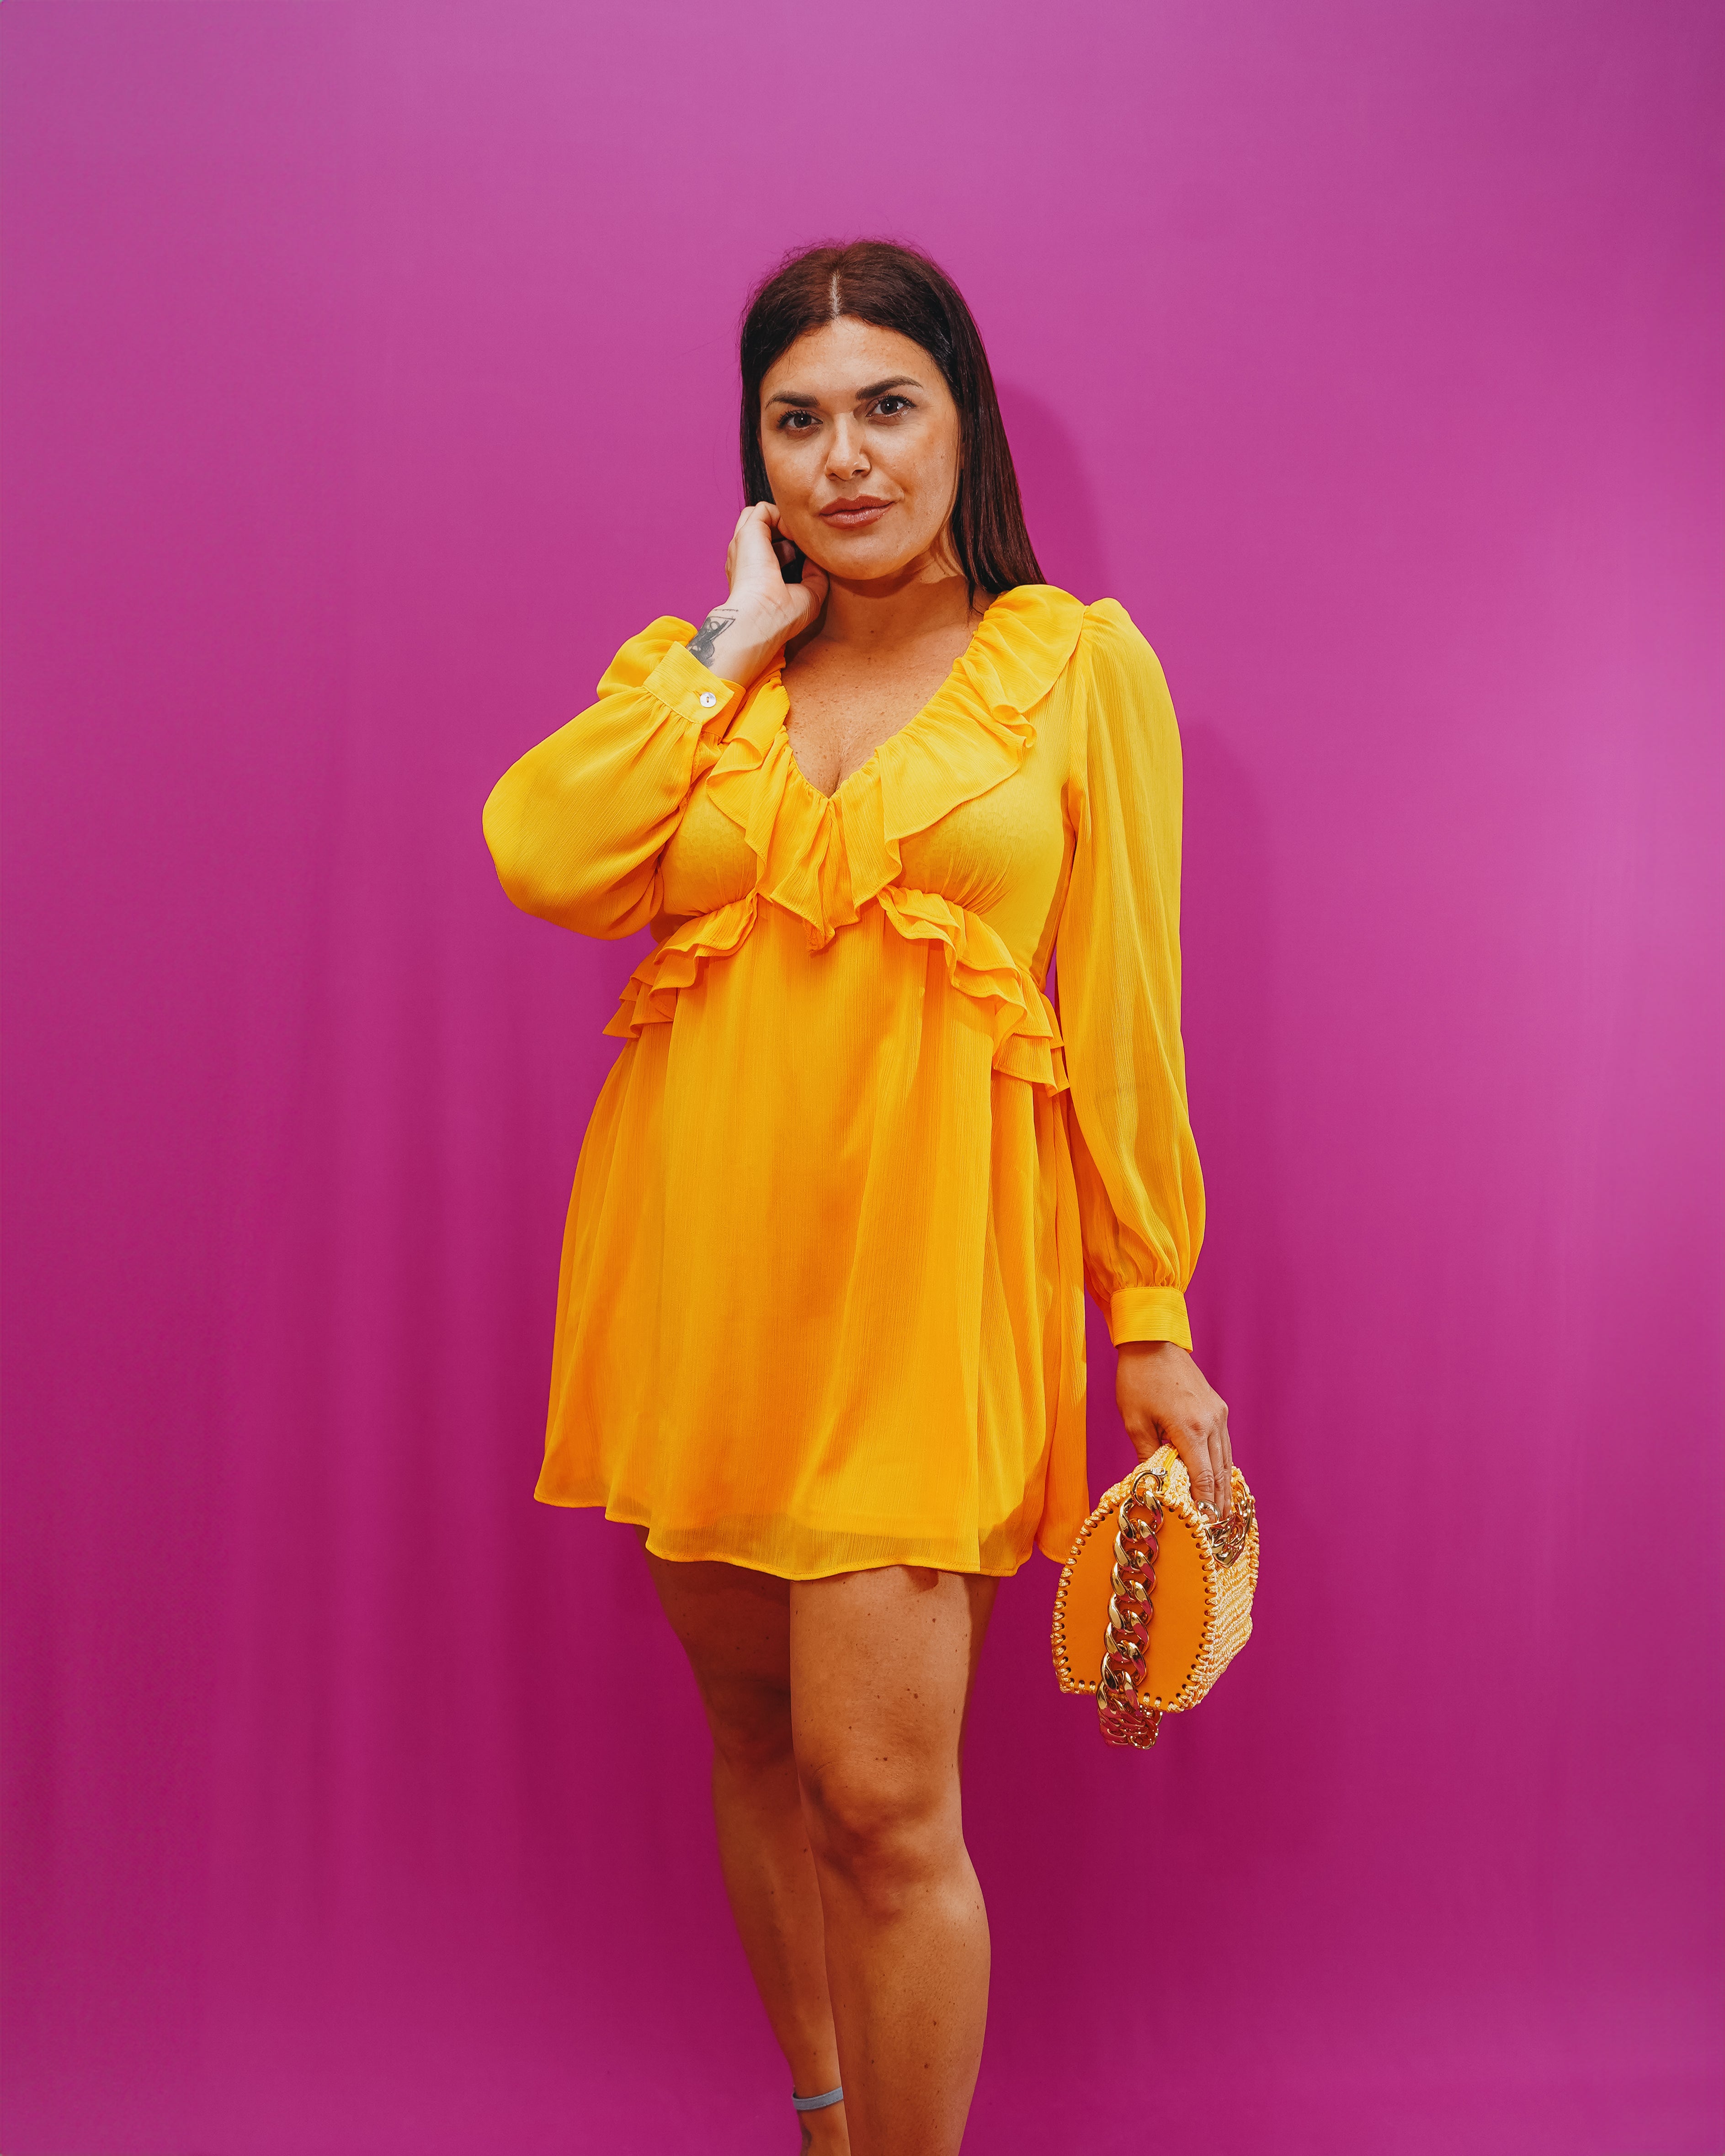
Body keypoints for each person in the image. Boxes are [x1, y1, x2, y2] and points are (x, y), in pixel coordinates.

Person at [482, 239, 1234, 2156]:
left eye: (887, 406)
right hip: (698, 1281)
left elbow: (1125, 1018)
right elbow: (538, 852)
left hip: (920, 1294)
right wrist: (727, 645)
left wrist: (1147, 1314)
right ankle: (821, 2121)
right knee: (757, 1745)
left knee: (886, 1804)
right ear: (753, 456)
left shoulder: (1077, 669)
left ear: (961, 420)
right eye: (796, 420)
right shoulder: (699, 684)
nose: (845, 458)